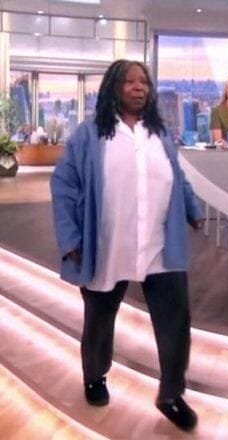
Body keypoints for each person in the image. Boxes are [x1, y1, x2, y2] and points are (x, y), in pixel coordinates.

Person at [50, 59, 204, 432]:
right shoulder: (89, 135)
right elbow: (64, 185)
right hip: (108, 244)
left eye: (144, 82)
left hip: (159, 246)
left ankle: (171, 394)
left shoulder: (159, 134)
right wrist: (70, 239)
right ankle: (95, 376)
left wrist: (194, 211)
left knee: (176, 322)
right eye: (130, 82)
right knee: (99, 320)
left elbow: (177, 176)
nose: (139, 88)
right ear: (113, 88)